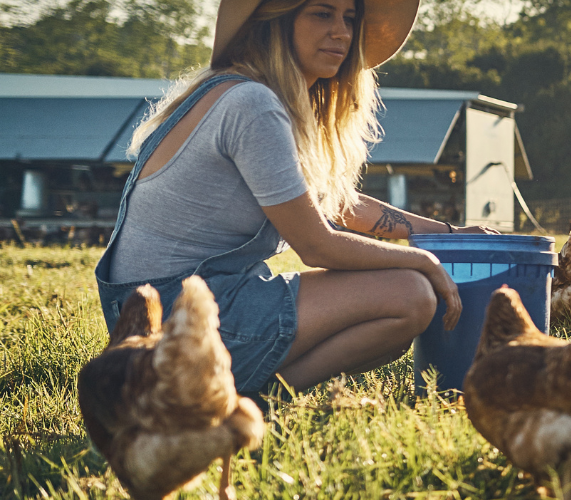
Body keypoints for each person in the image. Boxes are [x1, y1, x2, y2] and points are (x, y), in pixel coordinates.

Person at [94, 0, 493, 397]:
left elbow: (335, 202)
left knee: (405, 292)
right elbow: (317, 245)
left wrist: (448, 232)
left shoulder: (237, 91)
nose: (342, 32)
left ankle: (246, 395)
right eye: (322, 13)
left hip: (150, 313)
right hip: (172, 315)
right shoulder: (252, 104)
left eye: (349, 18)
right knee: (410, 295)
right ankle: (261, 401)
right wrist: (423, 259)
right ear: (275, 23)